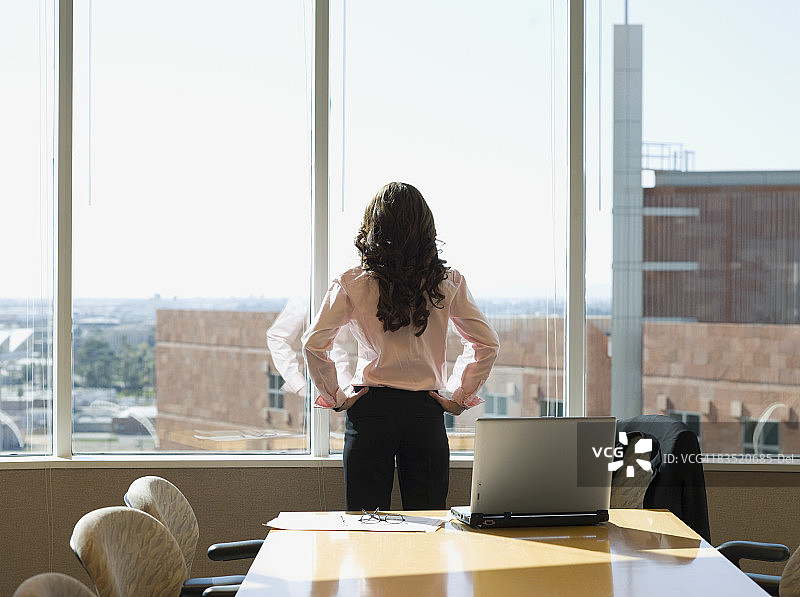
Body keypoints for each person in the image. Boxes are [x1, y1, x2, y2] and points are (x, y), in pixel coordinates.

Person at [302, 182, 499, 511]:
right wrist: (459, 397)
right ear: (426, 228)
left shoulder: (353, 283)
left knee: (366, 525)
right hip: (426, 412)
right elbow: (487, 344)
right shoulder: (448, 282)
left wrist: (336, 396)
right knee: (427, 525)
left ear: (373, 226)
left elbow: (313, 343)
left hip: (371, 411)